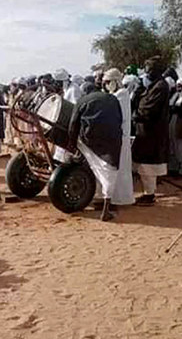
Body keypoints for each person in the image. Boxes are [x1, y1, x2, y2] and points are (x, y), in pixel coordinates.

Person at [66, 83, 123, 221]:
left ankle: (98, 200)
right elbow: (120, 119)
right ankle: (106, 207)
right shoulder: (112, 98)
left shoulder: (82, 101)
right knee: (109, 170)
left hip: (90, 140)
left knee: (95, 165)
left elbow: (73, 124)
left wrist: (72, 146)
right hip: (112, 139)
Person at [132, 56, 170, 206]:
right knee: (144, 165)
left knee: (149, 166)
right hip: (145, 131)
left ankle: (150, 195)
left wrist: (136, 114)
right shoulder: (153, 86)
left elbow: (148, 109)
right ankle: (148, 193)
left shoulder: (160, 86)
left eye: (149, 71)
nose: (146, 74)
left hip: (152, 132)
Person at [103, 68, 134, 207]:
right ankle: (111, 197)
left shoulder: (122, 94)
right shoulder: (116, 94)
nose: (106, 85)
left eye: (108, 82)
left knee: (121, 169)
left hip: (121, 136)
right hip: (114, 136)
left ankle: (120, 199)